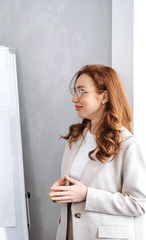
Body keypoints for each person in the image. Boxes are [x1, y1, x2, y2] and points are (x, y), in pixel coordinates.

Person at [48, 64, 146, 239]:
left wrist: (87, 195)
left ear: (104, 96)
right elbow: (81, 184)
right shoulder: (75, 137)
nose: (74, 99)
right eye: (74, 91)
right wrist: (64, 191)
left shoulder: (127, 144)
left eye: (81, 91)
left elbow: (139, 204)